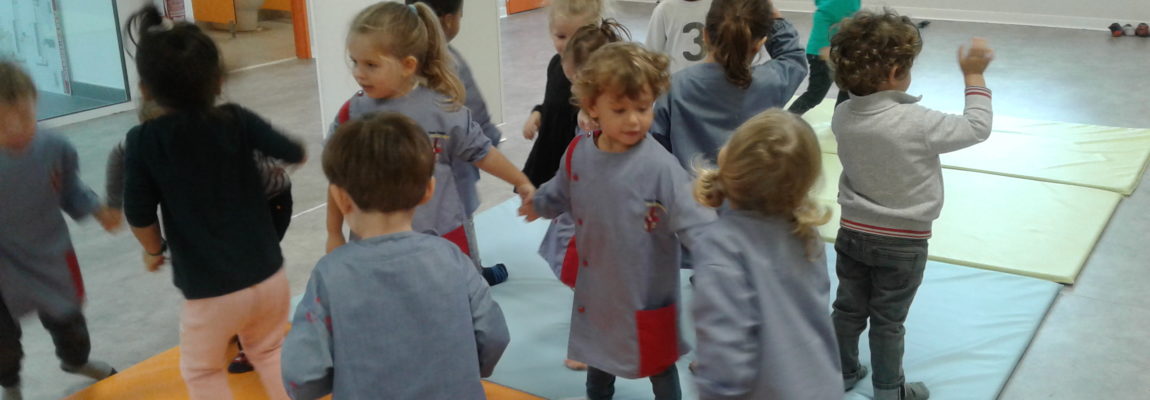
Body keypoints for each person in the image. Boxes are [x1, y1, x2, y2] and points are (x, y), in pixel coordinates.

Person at [120, 6, 306, 399]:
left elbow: (138, 212)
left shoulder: (144, 141)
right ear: (217, 81)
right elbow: (293, 151)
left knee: (203, 371)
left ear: (146, 90)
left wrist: (153, 250)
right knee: (269, 351)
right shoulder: (236, 119)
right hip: (268, 275)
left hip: (209, 291)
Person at [520, 42, 716, 400]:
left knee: (659, 366)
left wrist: (719, 256)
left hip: (646, 292)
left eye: (643, 108)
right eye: (620, 110)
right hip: (599, 289)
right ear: (593, 107)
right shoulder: (579, 152)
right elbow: (561, 189)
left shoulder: (660, 167)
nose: (634, 120)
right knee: (599, 359)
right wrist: (540, 204)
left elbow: (695, 221)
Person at [282, 112, 510, 399]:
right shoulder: (452, 259)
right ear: (428, 190)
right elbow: (494, 335)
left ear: (340, 198)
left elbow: (302, 376)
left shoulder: (330, 276)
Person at [827, 9, 994, 400]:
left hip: (851, 233)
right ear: (893, 73)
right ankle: (890, 391)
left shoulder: (842, 115)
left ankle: (842, 373)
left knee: (847, 310)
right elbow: (977, 127)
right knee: (888, 322)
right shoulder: (917, 122)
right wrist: (974, 75)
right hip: (903, 242)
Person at [324, 3, 535, 287]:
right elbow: (338, 179)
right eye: (355, 62)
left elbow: (482, 152)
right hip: (375, 240)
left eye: (371, 65)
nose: (359, 73)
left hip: (442, 233)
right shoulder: (351, 114)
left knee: (456, 294)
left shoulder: (442, 111)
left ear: (408, 65)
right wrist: (334, 232)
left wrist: (520, 181)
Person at [104, 99, 289, 374]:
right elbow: (120, 160)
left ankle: (256, 344)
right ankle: (238, 323)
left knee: (248, 275)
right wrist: (113, 204)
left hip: (268, 202)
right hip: (217, 210)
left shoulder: (221, 140)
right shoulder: (143, 142)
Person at [690, 109, 840, 399]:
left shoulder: (722, 245)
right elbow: (816, 311)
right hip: (821, 385)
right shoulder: (805, 233)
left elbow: (725, 352)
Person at [0, 61, 120, 400]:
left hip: (49, 252)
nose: (17, 130)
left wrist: (96, 209)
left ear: (36, 103)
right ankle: (10, 383)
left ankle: (76, 361)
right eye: (3, 123)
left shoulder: (55, 148)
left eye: (25, 117)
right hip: (2, 262)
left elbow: (70, 189)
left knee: (69, 321)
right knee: (2, 342)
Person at [406, 0, 511, 285]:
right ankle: (473, 274)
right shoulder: (450, 64)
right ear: (449, 20)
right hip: (452, 174)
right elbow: (476, 115)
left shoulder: (397, 67)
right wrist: (490, 145)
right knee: (459, 225)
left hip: (411, 179)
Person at [651, 0, 807, 169]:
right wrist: (777, 21)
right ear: (759, 44)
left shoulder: (674, 87)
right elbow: (794, 59)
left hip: (686, 185)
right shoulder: (771, 82)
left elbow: (657, 148)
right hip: (750, 184)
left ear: (705, 35)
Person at [520, 0, 603, 187]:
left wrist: (587, 114)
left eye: (577, 38)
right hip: (550, 149)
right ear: (551, 32)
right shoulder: (555, 65)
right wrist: (538, 113)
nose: (568, 45)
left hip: (575, 155)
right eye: (561, 36)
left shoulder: (597, 73)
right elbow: (551, 102)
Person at [787, 0, 861, 115]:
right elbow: (822, 25)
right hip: (821, 55)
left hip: (841, 51)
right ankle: (788, 117)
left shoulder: (849, 4)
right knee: (815, 94)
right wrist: (827, 50)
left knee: (848, 89)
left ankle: (839, 118)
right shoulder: (828, 9)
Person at [644, 0, 713, 74]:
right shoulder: (663, 9)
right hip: (675, 78)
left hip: (710, 77)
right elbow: (652, 53)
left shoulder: (715, 6)